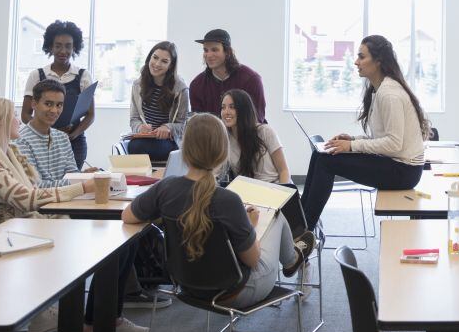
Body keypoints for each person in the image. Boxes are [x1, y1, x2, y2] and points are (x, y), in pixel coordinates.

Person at [0, 97, 148, 332]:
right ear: (0, 121)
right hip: (20, 232)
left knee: (126, 239)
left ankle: (100, 319)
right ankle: (94, 320)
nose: (19, 119)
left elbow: (32, 195)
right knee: (116, 243)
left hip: (36, 223)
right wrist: (81, 189)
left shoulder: (8, 151)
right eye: (14, 115)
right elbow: (26, 199)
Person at [121, 114, 314, 308]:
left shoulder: (165, 188)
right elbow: (253, 259)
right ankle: (292, 259)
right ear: (222, 153)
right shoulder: (228, 201)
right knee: (276, 216)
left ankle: (292, 258)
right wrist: (252, 226)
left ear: (184, 150)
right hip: (235, 293)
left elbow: (127, 216)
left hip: (186, 286)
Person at [300, 35, 430, 231]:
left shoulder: (389, 94)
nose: (356, 62)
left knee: (326, 162)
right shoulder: (380, 90)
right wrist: (352, 140)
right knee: (320, 155)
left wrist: (352, 146)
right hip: (397, 164)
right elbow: (383, 139)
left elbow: (393, 144)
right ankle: (301, 220)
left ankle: (303, 231)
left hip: (404, 171)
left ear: (378, 61)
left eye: (362, 57)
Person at [21, 20, 95, 170]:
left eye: (68, 46)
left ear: (75, 48)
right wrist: (47, 133)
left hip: (74, 142)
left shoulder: (83, 75)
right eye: (58, 45)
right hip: (41, 141)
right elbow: (25, 114)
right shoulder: (37, 75)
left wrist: (73, 135)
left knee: (72, 183)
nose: (63, 51)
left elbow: (90, 115)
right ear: (50, 47)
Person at [128, 41, 189, 161]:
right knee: (134, 146)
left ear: (171, 66)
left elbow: (184, 124)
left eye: (164, 61)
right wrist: (140, 127)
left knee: (141, 147)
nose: (156, 64)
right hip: (144, 138)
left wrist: (168, 128)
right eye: (155, 58)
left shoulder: (181, 89)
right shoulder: (137, 85)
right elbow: (134, 118)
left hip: (168, 141)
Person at [189, 29, 267, 123]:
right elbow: (198, 123)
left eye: (214, 50)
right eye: (206, 50)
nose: (208, 55)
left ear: (227, 52)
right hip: (212, 136)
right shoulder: (197, 85)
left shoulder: (251, 80)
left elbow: (257, 119)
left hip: (247, 135)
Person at [15, 79, 82, 187]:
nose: (54, 110)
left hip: (66, 200)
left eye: (59, 105)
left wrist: (84, 176)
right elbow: (36, 185)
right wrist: (79, 182)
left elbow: (73, 174)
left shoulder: (63, 138)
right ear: (34, 104)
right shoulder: (21, 141)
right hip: (42, 203)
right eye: (48, 104)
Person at [221, 89, 290, 184]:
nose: (226, 112)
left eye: (232, 107)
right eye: (223, 107)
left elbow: (284, 171)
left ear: (244, 110)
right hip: (247, 192)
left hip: (274, 188)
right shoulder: (225, 139)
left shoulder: (265, 131)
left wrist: (283, 194)